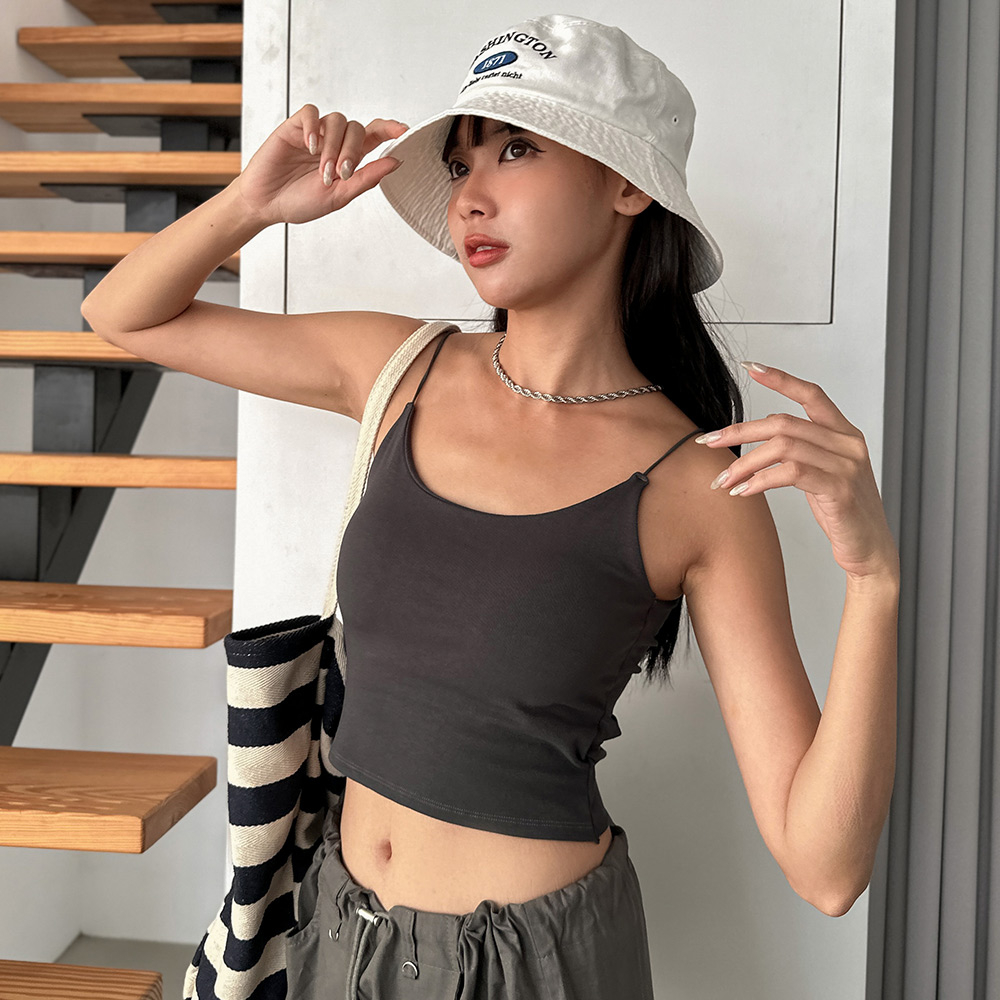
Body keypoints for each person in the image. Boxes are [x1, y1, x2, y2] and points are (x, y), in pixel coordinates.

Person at [82, 13, 901, 1000]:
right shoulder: (399, 367)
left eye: (515, 149)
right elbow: (121, 315)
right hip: (338, 934)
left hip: (530, 967)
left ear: (627, 184)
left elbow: (825, 869)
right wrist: (250, 206)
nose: (471, 193)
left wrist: (873, 580)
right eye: (461, 163)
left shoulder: (695, 485)